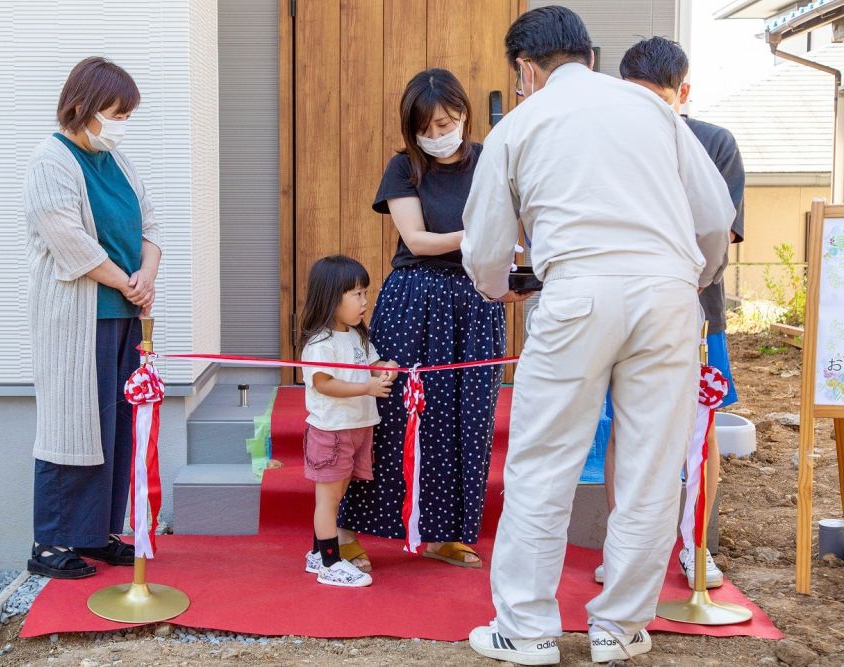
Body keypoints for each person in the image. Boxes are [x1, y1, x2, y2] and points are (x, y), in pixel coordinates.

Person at [461, 7, 733, 665]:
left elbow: (486, 248)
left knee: (543, 458)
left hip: (577, 291)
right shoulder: (655, 111)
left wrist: (501, 284)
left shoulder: (519, 125)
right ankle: (620, 627)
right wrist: (684, 280)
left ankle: (526, 631)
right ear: (588, 54)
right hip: (669, 293)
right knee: (649, 466)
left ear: (527, 69)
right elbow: (714, 220)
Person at [336, 69, 507, 571]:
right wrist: (480, 234)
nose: (436, 135)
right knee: (389, 417)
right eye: (425, 128)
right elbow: (417, 240)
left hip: (477, 304)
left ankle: (446, 533)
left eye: (446, 123)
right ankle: (345, 533)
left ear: (464, 114)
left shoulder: (490, 162)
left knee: (468, 422)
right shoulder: (403, 167)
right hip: (416, 299)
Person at [591, 36, 747, 591]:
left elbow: (722, 232)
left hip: (696, 308)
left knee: (698, 429)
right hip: (620, 308)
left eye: (658, 100)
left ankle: (695, 546)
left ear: (683, 93)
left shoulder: (713, 142)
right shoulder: (603, 141)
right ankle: (621, 547)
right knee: (620, 426)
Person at [25, 57, 161, 579]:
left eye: (127, 114)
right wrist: (126, 279)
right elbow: (68, 241)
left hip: (124, 311)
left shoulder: (118, 162)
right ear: (82, 106)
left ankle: (97, 532)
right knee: (71, 423)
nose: (121, 123)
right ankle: (51, 541)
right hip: (77, 317)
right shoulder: (50, 161)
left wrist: (145, 273)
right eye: (115, 112)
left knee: (118, 424)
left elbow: (150, 221)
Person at [298, 256, 399, 588]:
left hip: (358, 428)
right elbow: (323, 384)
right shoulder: (320, 344)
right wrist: (367, 387)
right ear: (331, 296)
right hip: (332, 432)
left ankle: (318, 553)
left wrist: (385, 367)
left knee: (338, 494)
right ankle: (329, 563)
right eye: (356, 294)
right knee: (328, 498)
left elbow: (370, 365)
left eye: (364, 293)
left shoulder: (356, 336)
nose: (364, 301)